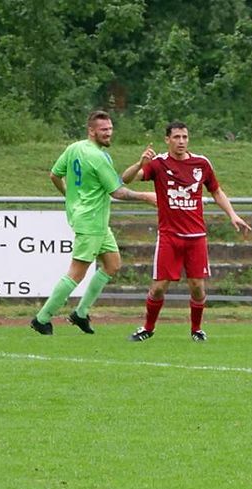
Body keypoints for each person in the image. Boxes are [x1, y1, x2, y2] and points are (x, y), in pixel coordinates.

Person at [120, 121, 251, 342]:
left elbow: (216, 191)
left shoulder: (201, 163)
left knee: (197, 287)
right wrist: (140, 163)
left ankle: (196, 329)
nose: (181, 141)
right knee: (159, 287)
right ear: (167, 139)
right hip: (169, 236)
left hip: (196, 237)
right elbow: (125, 179)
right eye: (176, 137)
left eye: (185, 137)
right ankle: (148, 328)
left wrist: (232, 214)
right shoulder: (159, 163)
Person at [30, 111, 157, 335]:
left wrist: (70, 197)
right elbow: (118, 191)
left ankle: (80, 313)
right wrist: (146, 196)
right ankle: (42, 318)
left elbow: (54, 175)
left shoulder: (75, 148)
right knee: (76, 273)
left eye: (110, 128)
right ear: (91, 131)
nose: (109, 133)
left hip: (92, 220)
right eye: (103, 130)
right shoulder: (98, 158)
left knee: (113, 264)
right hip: (91, 221)